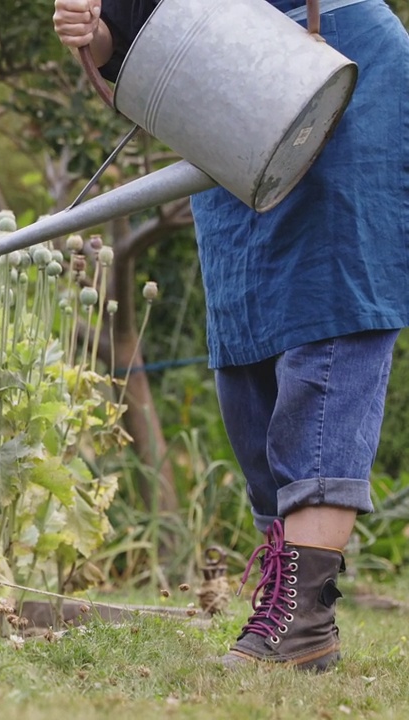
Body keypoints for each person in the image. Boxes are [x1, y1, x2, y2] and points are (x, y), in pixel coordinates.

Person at [51, 0, 409, 671]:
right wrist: (94, 32)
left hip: (336, 60)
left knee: (328, 321)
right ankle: (288, 605)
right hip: (218, 77)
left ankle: (301, 626)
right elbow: (125, 30)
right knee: (248, 359)